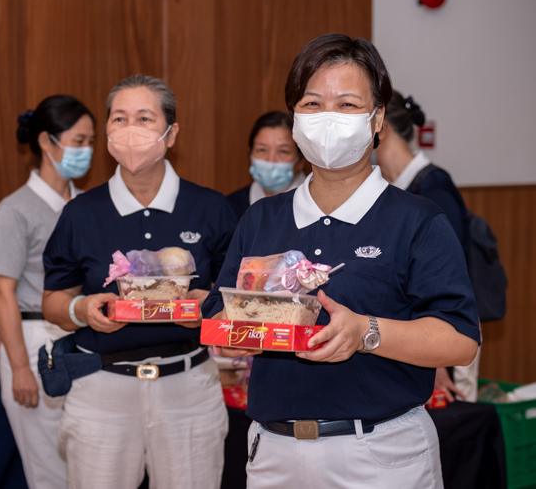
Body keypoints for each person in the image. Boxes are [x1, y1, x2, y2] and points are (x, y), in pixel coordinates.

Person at [202, 34, 480, 489]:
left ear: (378, 121)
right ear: (295, 118)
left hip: (381, 453)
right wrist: (240, 334)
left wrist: (366, 332)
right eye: (312, 103)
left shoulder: (417, 220)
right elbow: (218, 312)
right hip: (273, 452)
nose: (328, 118)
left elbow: (459, 340)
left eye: (347, 104)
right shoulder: (261, 218)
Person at [41, 74, 236, 489]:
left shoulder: (210, 208)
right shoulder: (80, 214)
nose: (130, 130)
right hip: (101, 392)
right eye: (118, 119)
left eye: (145, 118)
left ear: (171, 132)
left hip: (189, 389)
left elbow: (232, 298)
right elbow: (54, 301)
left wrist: (207, 306)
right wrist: (82, 310)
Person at [0, 94, 95, 489]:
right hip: (31, 342)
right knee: (50, 472)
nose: (88, 151)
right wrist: (19, 369)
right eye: (78, 141)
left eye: (90, 142)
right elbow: (1, 292)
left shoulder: (84, 205)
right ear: (48, 142)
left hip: (79, 335)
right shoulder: (15, 211)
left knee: (86, 467)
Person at [375, 91, 480, 402]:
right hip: (406, 335)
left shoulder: (434, 187)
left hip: (442, 333)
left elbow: (447, 278)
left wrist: (439, 359)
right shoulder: (390, 188)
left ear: (382, 128)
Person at [226, 111, 307, 220]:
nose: (271, 160)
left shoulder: (319, 204)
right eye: (262, 150)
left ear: (301, 160)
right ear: (250, 154)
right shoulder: (230, 208)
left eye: (283, 151)